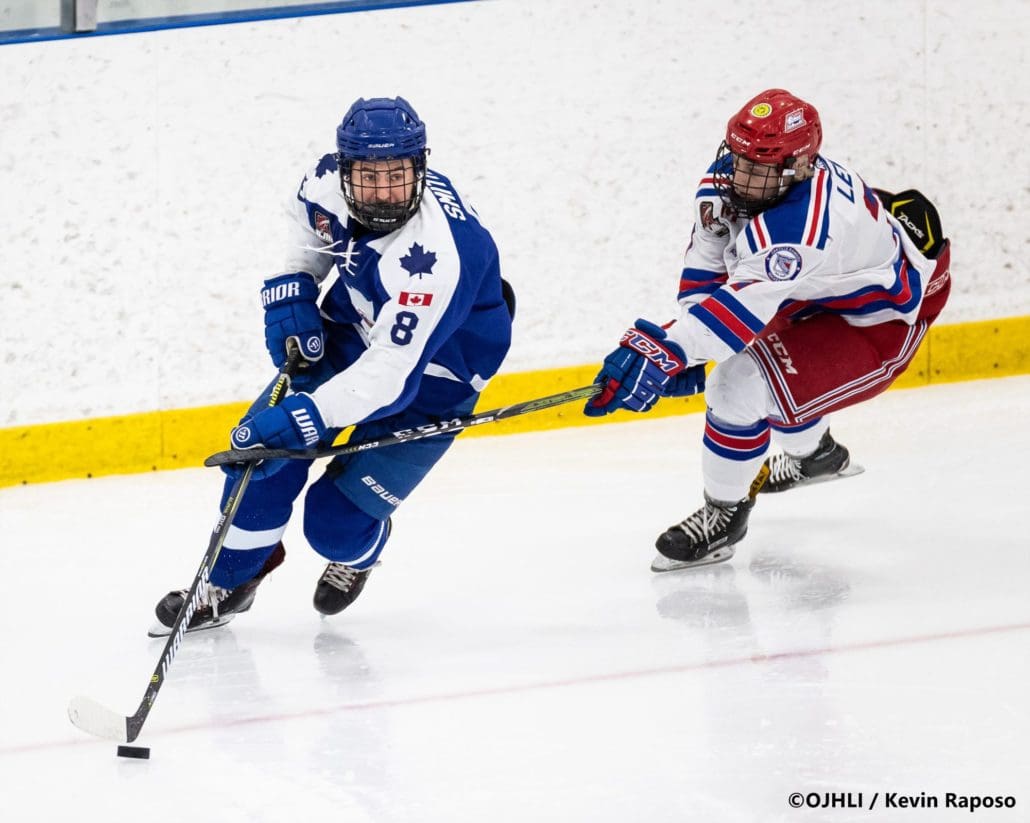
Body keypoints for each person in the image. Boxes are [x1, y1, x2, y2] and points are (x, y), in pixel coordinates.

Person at [151, 96, 514, 634]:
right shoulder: (323, 181)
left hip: (439, 373)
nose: (384, 192)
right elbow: (309, 227)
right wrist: (296, 286)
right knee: (261, 460)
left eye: (398, 175)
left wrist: (306, 417)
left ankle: (357, 555)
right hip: (354, 329)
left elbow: (391, 376)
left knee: (334, 527)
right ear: (344, 170)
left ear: (421, 168)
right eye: (368, 177)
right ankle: (229, 580)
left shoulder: (437, 259)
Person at [584, 88, 950, 571]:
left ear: (799, 167)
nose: (740, 177)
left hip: (879, 319)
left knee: (738, 386)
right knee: (756, 373)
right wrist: (685, 347)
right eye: (736, 159)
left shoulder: (802, 229)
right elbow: (706, 274)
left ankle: (724, 515)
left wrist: (668, 350)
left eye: (758, 169)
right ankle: (817, 455)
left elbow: (732, 317)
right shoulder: (730, 182)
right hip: (812, 290)